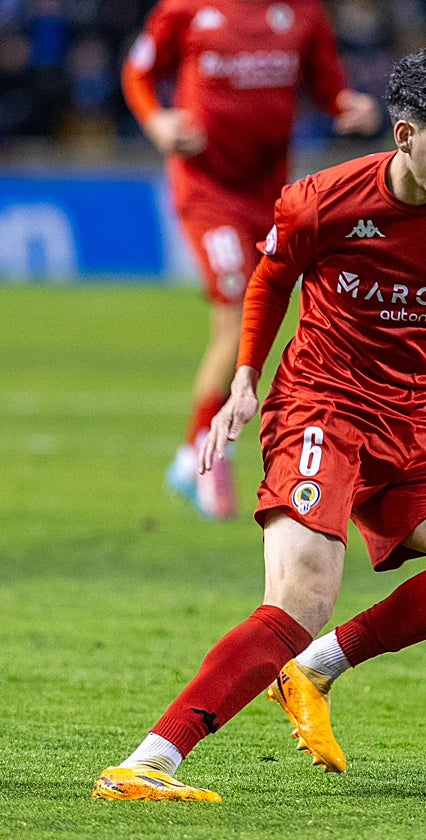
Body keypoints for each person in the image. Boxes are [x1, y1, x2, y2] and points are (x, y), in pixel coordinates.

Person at [93, 47, 426, 802]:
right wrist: (245, 380)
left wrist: (421, 390)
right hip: (320, 408)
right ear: (403, 135)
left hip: (407, 426)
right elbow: (271, 277)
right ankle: (148, 763)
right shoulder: (325, 201)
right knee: (300, 599)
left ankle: (316, 669)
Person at [122, 0, 380, 520]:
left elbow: (329, 88)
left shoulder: (303, 13)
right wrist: (157, 122)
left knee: (273, 311)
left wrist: (350, 107)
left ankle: (201, 454)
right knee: (238, 309)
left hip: (270, 191)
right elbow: (138, 71)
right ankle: (199, 455)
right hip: (205, 184)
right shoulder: (186, 8)